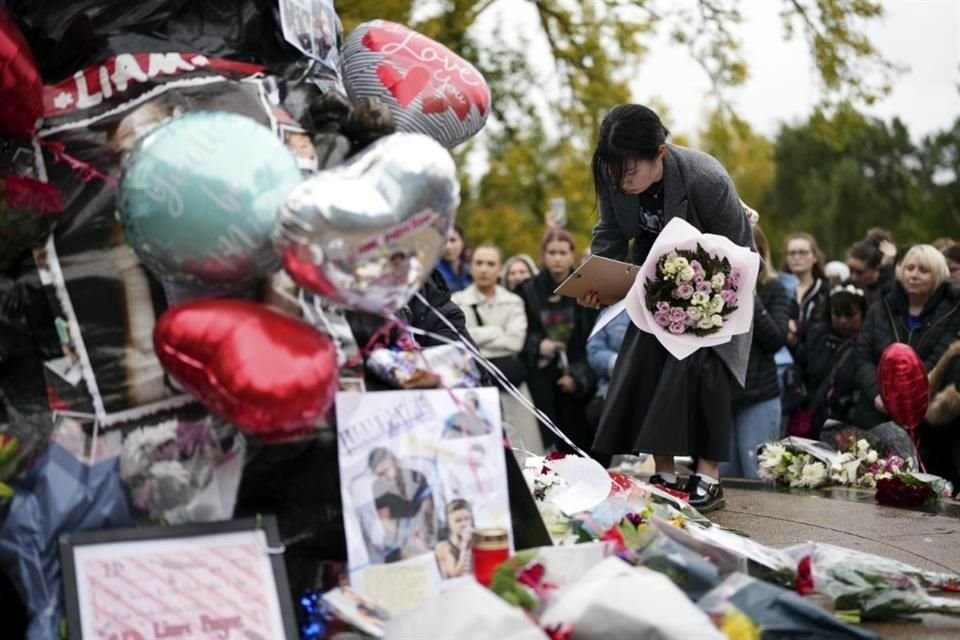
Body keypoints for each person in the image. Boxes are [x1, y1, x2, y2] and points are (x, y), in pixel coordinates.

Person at [583, 104, 755, 512]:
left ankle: (708, 475)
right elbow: (609, 233)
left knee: (707, 366)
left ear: (659, 153)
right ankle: (663, 472)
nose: (623, 182)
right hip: (654, 282)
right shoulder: (613, 175)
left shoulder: (705, 177)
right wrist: (597, 280)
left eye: (631, 172)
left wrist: (705, 298)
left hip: (719, 282)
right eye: (616, 172)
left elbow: (739, 247)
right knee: (645, 364)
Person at [850, 245, 960, 431]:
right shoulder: (880, 308)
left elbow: (941, 357)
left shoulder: (952, 312)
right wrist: (879, 394)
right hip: (876, 413)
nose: (914, 275)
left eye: (923, 270)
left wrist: (906, 396)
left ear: (938, 275)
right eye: (909, 268)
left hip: (926, 418)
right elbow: (862, 357)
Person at [453, 245, 541, 452]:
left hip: (511, 384)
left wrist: (476, 335)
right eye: (479, 263)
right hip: (473, 386)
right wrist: (496, 331)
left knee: (525, 449)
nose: (484, 269)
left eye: (490, 264)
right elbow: (460, 340)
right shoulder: (457, 301)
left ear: (500, 269)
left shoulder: (513, 301)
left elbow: (515, 342)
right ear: (471, 266)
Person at [518, 229, 598, 455]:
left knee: (581, 445)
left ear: (572, 255)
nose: (557, 258)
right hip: (540, 377)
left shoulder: (586, 288)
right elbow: (519, 333)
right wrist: (537, 344)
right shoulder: (527, 290)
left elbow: (594, 337)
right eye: (552, 252)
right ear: (543, 255)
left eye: (563, 252)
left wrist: (578, 375)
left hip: (579, 378)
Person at [721, 226, 790, 479]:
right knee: (724, 476)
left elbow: (775, 340)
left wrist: (748, 294)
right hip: (723, 395)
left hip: (759, 397)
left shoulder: (775, 289)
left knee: (758, 475)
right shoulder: (714, 289)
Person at [793, 285, 868, 437]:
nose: (843, 321)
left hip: (851, 423)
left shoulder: (868, 343)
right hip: (815, 417)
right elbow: (800, 363)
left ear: (863, 313)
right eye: (837, 315)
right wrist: (794, 379)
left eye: (849, 315)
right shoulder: (816, 335)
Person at [368, 448, 435, 562]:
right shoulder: (378, 487)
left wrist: (422, 533)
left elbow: (428, 508)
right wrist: (406, 535)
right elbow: (385, 521)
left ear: (395, 462)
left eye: (386, 470)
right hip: (399, 534)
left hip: (424, 528)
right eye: (379, 474)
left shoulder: (416, 476)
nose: (385, 477)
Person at [782, 232, 829, 350]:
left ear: (815, 257)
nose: (796, 257)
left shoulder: (826, 291)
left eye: (802, 252)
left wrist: (799, 327)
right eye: (792, 253)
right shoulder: (778, 289)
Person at [846, 238, 894, 307]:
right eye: (850, 270)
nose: (854, 277)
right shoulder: (847, 286)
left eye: (860, 272)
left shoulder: (890, 290)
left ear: (876, 268)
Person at [434, 499, 474, 578]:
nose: (464, 524)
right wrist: (464, 546)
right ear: (449, 524)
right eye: (458, 521)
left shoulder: (477, 541)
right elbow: (454, 575)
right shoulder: (443, 548)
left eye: (467, 519)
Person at [436, 225, 472, 293]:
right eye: (443, 241)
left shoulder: (470, 270)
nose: (448, 246)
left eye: (453, 240)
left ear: (462, 242)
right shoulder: (432, 273)